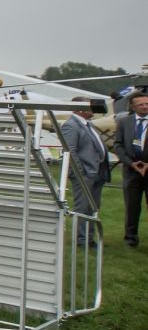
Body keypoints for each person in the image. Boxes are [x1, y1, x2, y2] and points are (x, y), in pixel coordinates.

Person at [60, 97, 111, 245]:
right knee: (83, 207)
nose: (93, 108)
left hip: (96, 173)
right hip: (85, 174)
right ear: (79, 108)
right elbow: (70, 151)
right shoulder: (71, 125)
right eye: (89, 105)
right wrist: (80, 173)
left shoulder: (88, 124)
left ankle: (89, 238)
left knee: (93, 207)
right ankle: (81, 240)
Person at [113, 91, 148, 247]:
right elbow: (118, 145)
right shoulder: (124, 122)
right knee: (132, 207)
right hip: (131, 171)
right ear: (133, 107)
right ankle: (131, 238)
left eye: (147, 104)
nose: (145, 107)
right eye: (141, 104)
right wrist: (130, 163)